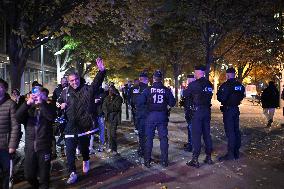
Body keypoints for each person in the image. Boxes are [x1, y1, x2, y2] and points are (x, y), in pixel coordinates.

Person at [57, 58, 106, 184]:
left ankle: (86, 159)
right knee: (69, 152)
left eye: (76, 79)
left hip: (84, 126)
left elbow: (96, 84)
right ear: (68, 82)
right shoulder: (65, 92)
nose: (74, 82)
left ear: (79, 79)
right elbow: (58, 103)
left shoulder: (87, 89)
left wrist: (101, 71)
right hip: (70, 126)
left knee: (84, 148)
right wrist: (60, 105)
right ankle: (72, 173)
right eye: (72, 81)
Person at [16, 86, 56, 189]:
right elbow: (17, 118)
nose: (36, 96)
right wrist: (27, 104)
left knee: (44, 178)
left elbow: (51, 117)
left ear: (43, 95)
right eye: (34, 94)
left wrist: (41, 103)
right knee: (29, 175)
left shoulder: (48, 105)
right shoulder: (28, 108)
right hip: (30, 148)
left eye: (39, 93)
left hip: (44, 147)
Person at [138, 70, 176, 168]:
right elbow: (172, 103)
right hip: (162, 116)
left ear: (154, 78)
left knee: (149, 138)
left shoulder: (148, 90)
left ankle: (147, 161)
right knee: (163, 138)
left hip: (150, 116)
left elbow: (140, 102)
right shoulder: (166, 90)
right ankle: (164, 161)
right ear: (161, 79)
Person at [185, 65, 213, 168]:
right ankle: (208, 157)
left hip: (197, 112)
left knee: (196, 135)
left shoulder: (194, 84)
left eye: (195, 72)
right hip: (207, 111)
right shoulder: (209, 84)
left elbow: (185, 94)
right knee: (207, 134)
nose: (195, 74)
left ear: (198, 73)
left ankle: (195, 159)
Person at [217, 68, 245, 161]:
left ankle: (231, 154)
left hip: (228, 110)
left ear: (228, 75)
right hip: (236, 109)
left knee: (230, 132)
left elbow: (221, 98)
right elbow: (242, 96)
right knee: (236, 130)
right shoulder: (239, 85)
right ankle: (236, 152)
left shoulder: (226, 86)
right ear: (235, 74)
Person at [0, 79, 20, 189]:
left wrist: (12, 145)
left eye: (0, 87)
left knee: (7, 173)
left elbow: (15, 126)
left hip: (5, 146)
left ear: (5, 89)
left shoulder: (11, 104)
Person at [102, 85, 123, 155]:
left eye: (112, 90)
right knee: (108, 134)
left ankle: (114, 149)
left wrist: (109, 108)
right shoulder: (106, 98)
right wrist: (108, 110)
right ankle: (110, 147)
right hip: (108, 118)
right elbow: (104, 107)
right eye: (109, 90)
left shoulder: (118, 98)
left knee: (113, 134)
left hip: (114, 118)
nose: (110, 92)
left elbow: (116, 107)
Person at [134, 72, 149, 157]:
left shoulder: (134, 88)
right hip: (147, 114)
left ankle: (141, 150)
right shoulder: (148, 89)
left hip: (138, 114)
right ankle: (146, 150)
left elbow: (130, 100)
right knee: (147, 134)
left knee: (140, 133)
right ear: (146, 80)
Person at [89, 87, 107, 153]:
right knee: (92, 132)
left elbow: (104, 104)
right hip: (93, 115)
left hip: (99, 115)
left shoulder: (102, 93)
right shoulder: (92, 92)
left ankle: (101, 146)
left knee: (100, 131)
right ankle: (90, 148)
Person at [183, 74, 196, 152]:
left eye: (189, 80)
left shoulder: (192, 87)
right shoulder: (192, 87)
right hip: (189, 110)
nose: (188, 81)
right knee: (189, 127)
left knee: (191, 128)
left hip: (192, 111)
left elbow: (185, 94)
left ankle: (192, 145)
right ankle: (190, 143)